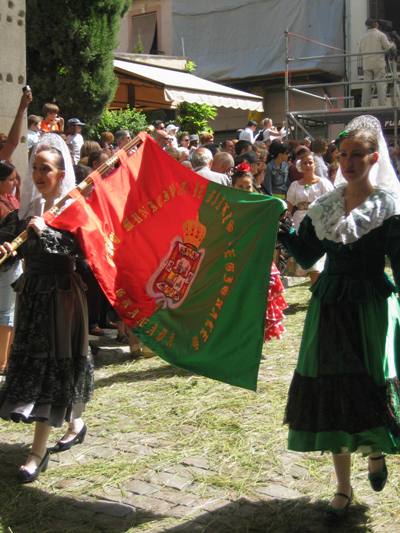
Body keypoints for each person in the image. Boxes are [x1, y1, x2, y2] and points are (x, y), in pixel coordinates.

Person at [279, 115, 400, 518]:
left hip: (370, 305)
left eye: (356, 155)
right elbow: (307, 256)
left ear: (373, 157)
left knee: (368, 382)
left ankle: (375, 450)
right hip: (330, 302)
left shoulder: (388, 208)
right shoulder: (326, 206)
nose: (347, 162)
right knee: (331, 385)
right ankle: (343, 487)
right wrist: (280, 231)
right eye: (342, 155)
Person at [0, 134, 93, 482]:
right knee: (47, 365)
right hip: (33, 294)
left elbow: (77, 252)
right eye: (35, 168)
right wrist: (12, 248)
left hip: (62, 297)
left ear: (60, 172)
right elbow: (22, 252)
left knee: (52, 367)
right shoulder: (29, 210)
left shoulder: (72, 207)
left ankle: (37, 453)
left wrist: (47, 233)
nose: (39, 175)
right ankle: (75, 421)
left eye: (47, 169)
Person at [232, 163, 287, 340]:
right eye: (239, 187)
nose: (244, 190)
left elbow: (280, 204)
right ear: (232, 188)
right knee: (243, 303)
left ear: (253, 186)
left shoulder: (261, 204)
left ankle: (258, 339)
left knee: (261, 300)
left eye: (247, 186)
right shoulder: (229, 207)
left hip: (259, 260)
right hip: (239, 262)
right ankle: (245, 339)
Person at [286, 149, 334, 284]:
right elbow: (288, 208)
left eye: (310, 163)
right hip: (300, 221)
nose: (308, 165)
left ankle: (317, 288)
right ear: (301, 166)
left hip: (318, 221)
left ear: (314, 164)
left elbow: (331, 204)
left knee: (318, 261)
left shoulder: (323, 183)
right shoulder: (295, 185)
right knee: (306, 255)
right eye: (305, 163)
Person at [359, 18, 396, 107]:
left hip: (367, 64)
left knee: (367, 86)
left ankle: (365, 106)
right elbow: (387, 47)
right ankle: (382, 105)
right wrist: (393, 44)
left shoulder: (362, 37)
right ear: (376, 24)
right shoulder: (380, 35)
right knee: (381, 84)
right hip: (378, 64)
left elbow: (360, 51)